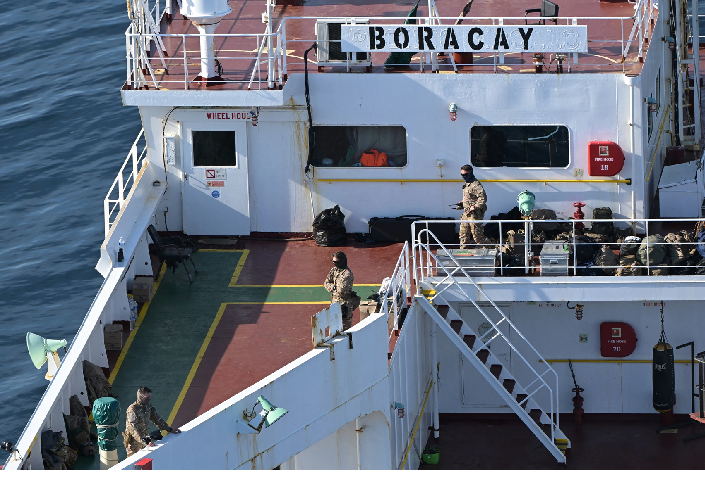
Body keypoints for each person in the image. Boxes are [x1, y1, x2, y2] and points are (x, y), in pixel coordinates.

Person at [123, 386, 180, 457]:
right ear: (141, 397)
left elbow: (156, 418)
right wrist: (145, 441)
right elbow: (132, 428)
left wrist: (169, 429)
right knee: (133, 462)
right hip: (134, 444)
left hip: (144, 441)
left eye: (150, 397)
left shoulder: (148, 406)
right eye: (147, 397)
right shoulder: (132, 409)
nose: (149, 399)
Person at [454, 164, 489, 248]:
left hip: (474, 214)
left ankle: (492, 248)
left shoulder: (476, 185)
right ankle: (463, 252)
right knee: (463, 236)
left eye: (466, 175)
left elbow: (483, 198)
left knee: (478, 237)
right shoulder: (467, 184)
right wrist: (463, 203)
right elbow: (470, 198)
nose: (464, 177)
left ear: (471, 173)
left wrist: (475, 206)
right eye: (462, 175)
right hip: (466, 213)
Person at [324, 251, 358, 330]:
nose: (334, 263)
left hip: (344, 306)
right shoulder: (334, 270)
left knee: (344, 331)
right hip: (334, 304)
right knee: (333, 329)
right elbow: (326, 283)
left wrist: (332, 287)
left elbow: (341, 291)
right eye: (333, 261)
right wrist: (334, 287)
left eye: (335, 262)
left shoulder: (347, 274)